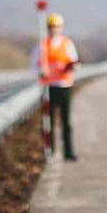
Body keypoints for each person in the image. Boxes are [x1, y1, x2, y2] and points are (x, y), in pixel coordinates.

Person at [33, 12, 80, 161]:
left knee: (66, 121)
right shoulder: (42, 46)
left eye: (58, 27)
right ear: (48, 28)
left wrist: (71, 67)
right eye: (52, 27)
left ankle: (68, 151)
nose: (55, 29)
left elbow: (74, 62)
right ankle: (50, 151)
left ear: (62, 28)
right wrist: (41, 72)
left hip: (65, 85)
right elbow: (34, 65)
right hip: (48, 87)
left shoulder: (68, 44)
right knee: (49, 121)